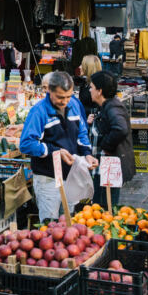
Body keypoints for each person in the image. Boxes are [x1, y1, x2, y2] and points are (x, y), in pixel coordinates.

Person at [19, 71, 97, 222]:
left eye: (68, 96)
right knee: (51, 225)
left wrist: (87, 153)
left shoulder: (74, 105)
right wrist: (55, 152)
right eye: (60, 97)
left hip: (71, 175)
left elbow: (81, 133)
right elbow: (26, 144)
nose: (65, 101)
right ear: (49, 91)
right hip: (48, 178)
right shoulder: (39, 112)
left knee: (72, 222)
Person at [88, 71, 134, 209]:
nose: (89, 90)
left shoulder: (112, 107)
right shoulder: (106, 106)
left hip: (108, 167)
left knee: (105, 206)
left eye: (91, 87)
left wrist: (105, 145)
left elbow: (120, 128)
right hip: (103, 167)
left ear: (99, 91)